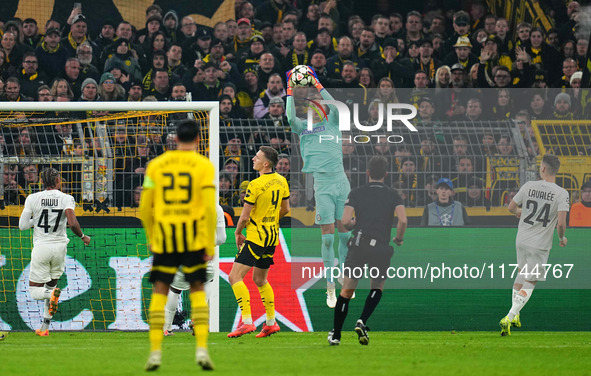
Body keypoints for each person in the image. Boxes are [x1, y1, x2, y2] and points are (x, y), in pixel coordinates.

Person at [139, 119, 216, 371]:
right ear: (197, 140)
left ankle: (154, 351)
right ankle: (202, 349)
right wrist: (208, 243)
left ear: (175, 139)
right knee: (197, 292)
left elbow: (144, 208)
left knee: (161, 292)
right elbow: (208, 208)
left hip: (165, 238)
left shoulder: (156, 165)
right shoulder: (203, 165)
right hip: (192, 237)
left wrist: (152, 238)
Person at [286, 66, 352, 308]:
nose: (314, 107)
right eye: (311, 105)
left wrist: (316, 84)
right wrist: (290, 90)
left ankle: (346, 279)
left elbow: (337, 106)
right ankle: (330, 287)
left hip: (341, 183)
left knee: (345, 236)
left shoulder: (333, 122)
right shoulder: (303, 128)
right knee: (327, 240)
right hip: (322, 185)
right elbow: (289, 117)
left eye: (318, 105)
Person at [328, 156, 407, 346]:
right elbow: (403, 220)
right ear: (386, 174)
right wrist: (398, 238)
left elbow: (345, 221)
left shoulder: (357, 193)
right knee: (377, 287)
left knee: (346, 291)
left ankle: (336, 335)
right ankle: (362, 321)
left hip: (360, 245)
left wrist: (355, 223)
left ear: (368, 173)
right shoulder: (393, 194)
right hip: (381, 247)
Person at [500, 154, 569, 336]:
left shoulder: (529, 186)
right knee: (530, 281)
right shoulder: (562, 193)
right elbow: (561, 224)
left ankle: (516, 315)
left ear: (543, 168)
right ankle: (509, 316)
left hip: (521, 239)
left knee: (521, 276)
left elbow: (511, 208)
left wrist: (520, 212)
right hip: (539, 244)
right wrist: (562, 238)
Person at [18, 168, 91, 336]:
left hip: (42, 247)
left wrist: (35, 220)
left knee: (37, 292)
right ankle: (44, 328)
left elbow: (22, 226)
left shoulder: (32, 198)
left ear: (42, 182)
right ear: (58, 181)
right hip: (59, 248)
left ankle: (52, 294)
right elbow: (72, 223)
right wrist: (83, 236)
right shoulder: (67, 198)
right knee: (51, 287)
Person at [227, 146, 290, 338]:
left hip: (256, 237)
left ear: (265, 163)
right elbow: (285, 209)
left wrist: (238, 233)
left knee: (234, 277)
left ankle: (247, 322)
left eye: (257, 157)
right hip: (272, 236)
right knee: (260, 279)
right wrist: (269, 219)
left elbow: (245, 216)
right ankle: (270, 323)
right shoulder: (282, 181)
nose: (253, 159)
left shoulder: (255, 185)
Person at [163, 205, 227, 336]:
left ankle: (167, 328)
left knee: (175, 289)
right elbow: (221, 239)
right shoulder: (216, 207)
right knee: (207, 280)